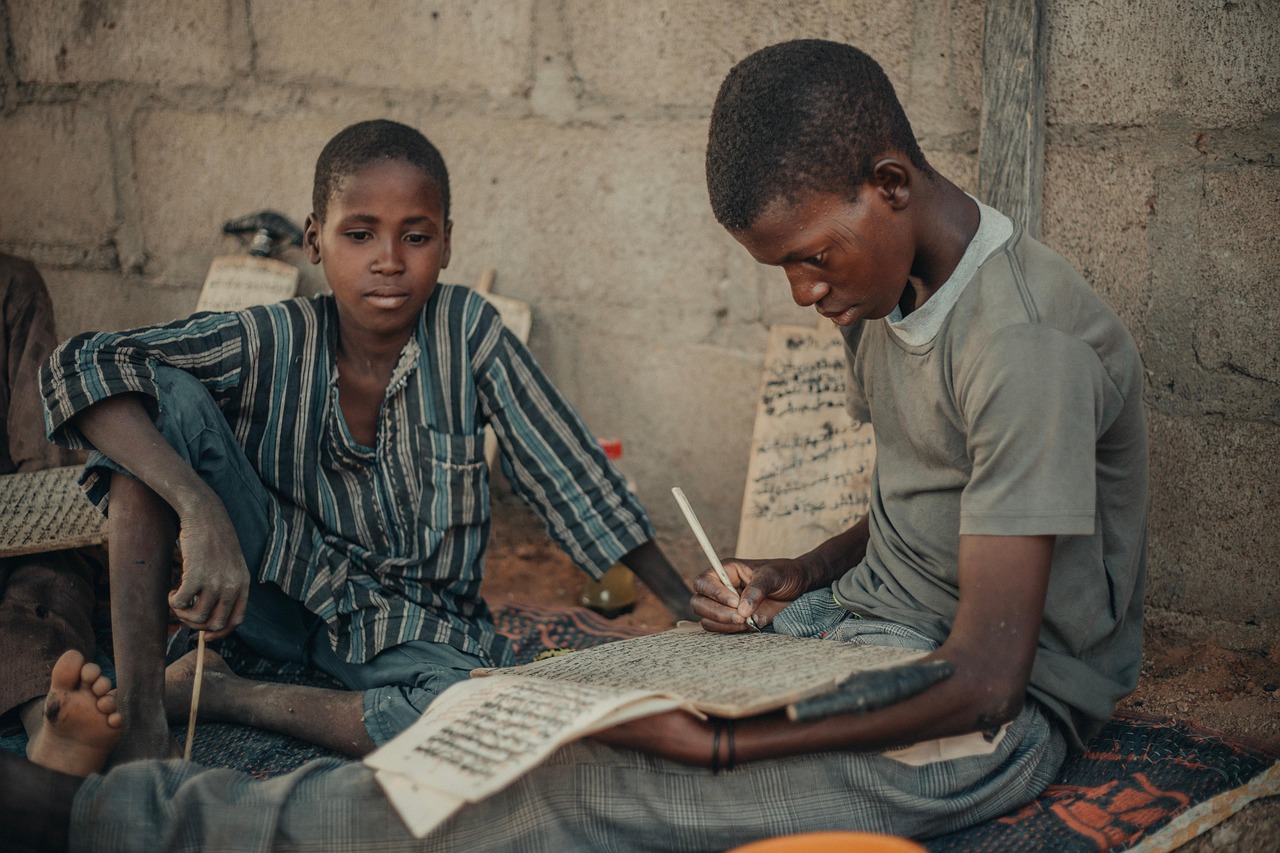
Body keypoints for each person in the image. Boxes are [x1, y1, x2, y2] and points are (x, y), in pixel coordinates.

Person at [1, 39, 1147, 852]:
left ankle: (112, 821)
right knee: (525, 710)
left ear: (888, 185)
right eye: (783, 270)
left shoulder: (1025, 347)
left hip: (981, 714)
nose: (803, 294)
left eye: (808, 259)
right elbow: (937, 491)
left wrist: (722, 750)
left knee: (555, 802)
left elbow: (986, 674)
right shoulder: (890, 282)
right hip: (833, 632)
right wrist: (802, 569)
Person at [35, 119, 693, 763]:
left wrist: (687, 605)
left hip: (412, 625)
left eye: (416, 236)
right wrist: (199, 507)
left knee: (482, 706)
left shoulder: (468, 333)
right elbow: (82, 363)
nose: (388, 260)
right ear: (317, 241)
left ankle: (231, 695)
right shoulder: (273, 337)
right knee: (162, 397)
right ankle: (145, 722)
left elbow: (570, 473)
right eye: (360, 234)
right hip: (267, 593)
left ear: (448, 243)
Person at [0, 252, 102, 764]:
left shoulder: (11, 284)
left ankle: (49, 719)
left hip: (10, 523)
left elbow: (40, 456)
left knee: (46, 582)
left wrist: (30, 518)